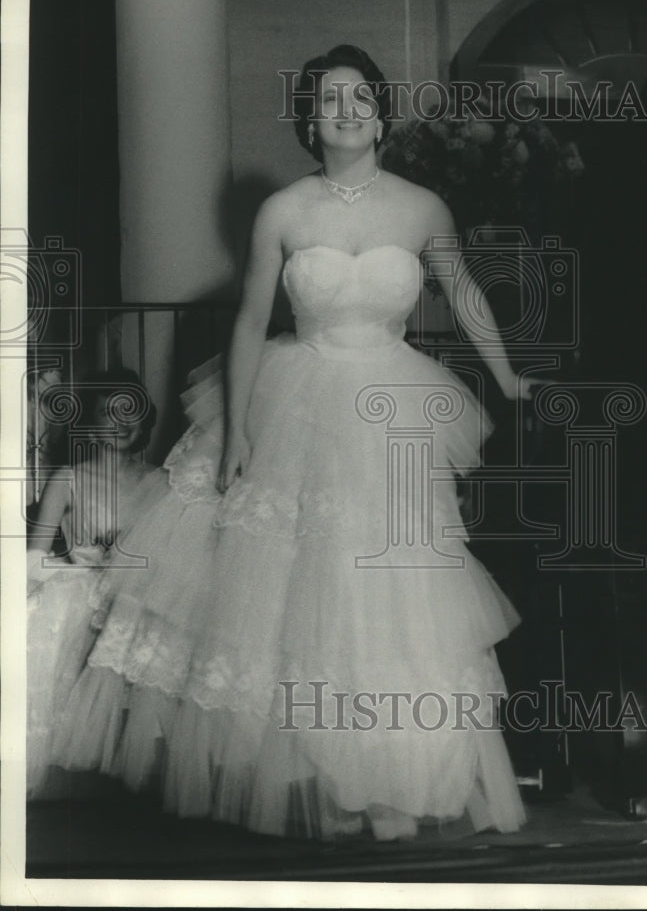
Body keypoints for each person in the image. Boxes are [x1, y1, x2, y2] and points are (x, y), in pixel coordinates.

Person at [52, 45, 542, 840]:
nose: (344, 112)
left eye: (357, 99)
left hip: (391, 405)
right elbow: (250, 321)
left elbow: (463, 291)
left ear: (380, 114)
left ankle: (395, 772)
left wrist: (510, 377)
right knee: (293, 588)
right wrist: (240, 426)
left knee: (387, 583)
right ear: (309, 121)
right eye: (326, 101)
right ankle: (314, 774)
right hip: (297, 397)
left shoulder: (422, 207)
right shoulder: (282, 210)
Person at [27, 368, 162, 797]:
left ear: (143, 422)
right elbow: (35, 555)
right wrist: (82, 568)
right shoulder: (69, 478)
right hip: (82, 591)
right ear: (90, 420)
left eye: (132, 413)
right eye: (109, 412)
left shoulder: (159, 482)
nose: (121, 422)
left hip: (138, 595)